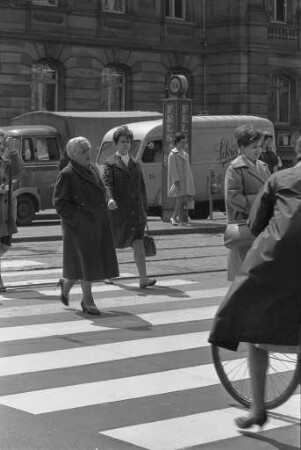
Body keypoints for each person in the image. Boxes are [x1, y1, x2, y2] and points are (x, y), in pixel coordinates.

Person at [209, 135, 301, 429]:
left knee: (254, 328)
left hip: (275, 260)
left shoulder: (279, 177)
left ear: (297, 152)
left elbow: (255, 224)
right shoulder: (243, 170)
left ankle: (258, 409)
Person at [53, 136, 119, 315]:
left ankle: (65, 286)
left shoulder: (92, 169)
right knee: (86, 264)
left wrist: (108, 200)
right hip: (78, 228)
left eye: (88, 150)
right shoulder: (67, 174)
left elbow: (102, 189)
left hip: (96, 224)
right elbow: (60, 203)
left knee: (82, 264)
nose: (88, 154)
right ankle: (88, 300)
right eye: (83, 151)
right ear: (73, 155)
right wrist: (78, 219)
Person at [102, 125, 156, 289]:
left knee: (138, 243)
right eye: (123, 141)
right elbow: (106, 185)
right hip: (118, 212)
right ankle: (109, 273)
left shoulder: (136, 164)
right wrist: (110, 200)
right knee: (113, 243)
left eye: (128, 141)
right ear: (116, 144)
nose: (126, 144)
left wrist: (145, 210)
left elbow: (141, 188)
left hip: (136, 212)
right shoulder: (110, 163)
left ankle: (143, 278)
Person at [224, 125, 270, 281]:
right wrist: (261, 200)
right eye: (253, 147)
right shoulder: (235, 168)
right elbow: (233, 197)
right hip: (244, 225)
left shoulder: (263, 167)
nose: (258, 150)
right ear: (242, 148)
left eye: (259, 146)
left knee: (257, 272)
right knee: (243, 273)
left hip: (261, 224)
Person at [0, 131, 24, 293]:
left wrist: (13, 151)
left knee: (5, 244)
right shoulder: (3, 160)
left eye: (4, 142)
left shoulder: (7, 158)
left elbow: (19, 170)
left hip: (6, 210)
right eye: (1, 143)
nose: (3, 146)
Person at [167, 132, 195, 226]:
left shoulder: (185, 154)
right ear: (177, 142)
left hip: (185, 180)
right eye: (182, 142)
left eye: (185, 142)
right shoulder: (173, 154)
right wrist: (176, 181)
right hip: (178, 181)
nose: (184, 144)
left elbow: (188, 169)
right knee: (180, 199)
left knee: (183, 199)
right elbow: (172, 169)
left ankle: (180, 219)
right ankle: (174, 217)